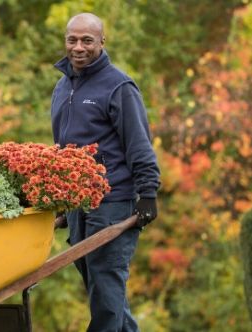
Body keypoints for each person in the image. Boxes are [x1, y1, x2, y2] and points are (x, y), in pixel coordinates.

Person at [50, 13, 161, 332]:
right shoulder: (63, 86)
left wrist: (148, 193)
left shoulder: (119, 86)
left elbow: (139, 143)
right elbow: (62, 146)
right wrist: (59, 198)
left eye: (87, 40)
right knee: (101, 291)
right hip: (77, 203)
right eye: (72, 39)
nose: (78, 47)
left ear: (102, 41)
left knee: (106, 292)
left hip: (112, 202)